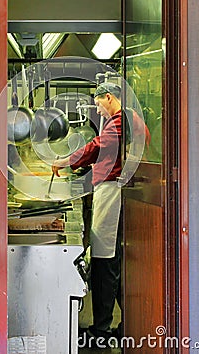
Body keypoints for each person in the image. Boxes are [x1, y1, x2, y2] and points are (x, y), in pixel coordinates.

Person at [52, 82, 124, 348]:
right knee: (110, 260)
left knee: (106, 260)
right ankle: (111, 324)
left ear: (108, 97)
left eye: (98, 104)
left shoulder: (120, 121)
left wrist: (67, 161)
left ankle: (101, 330)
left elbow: (97, 145)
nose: (98, 110)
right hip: (108, 189)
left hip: (112, 192)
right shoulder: (120, 120)